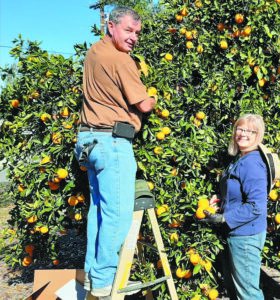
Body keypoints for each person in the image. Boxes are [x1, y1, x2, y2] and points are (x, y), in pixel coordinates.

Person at [73, 6, 156, 298]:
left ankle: (93, 276)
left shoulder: (94, 52)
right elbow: (144, 105)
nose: (134, 38)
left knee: (99, 211)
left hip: (88, 140)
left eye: (137, 33)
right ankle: (107, 280)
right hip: (112, 143)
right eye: (128, 30)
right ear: (111, 26)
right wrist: (154, 96)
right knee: (118, 215)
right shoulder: (122, 60)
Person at [199, 114, 269, 300]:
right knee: (235, 289)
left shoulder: (252, 164)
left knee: (248, 293)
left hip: (246, 235)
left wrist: (224, 218)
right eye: (240, 129)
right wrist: (219, 200)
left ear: (258, 135)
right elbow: (235, 192)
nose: (243, 134)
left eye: (249, 131)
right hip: (237, 233)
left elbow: (256, 206)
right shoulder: (241, 159)